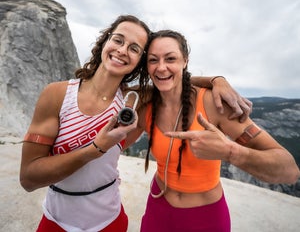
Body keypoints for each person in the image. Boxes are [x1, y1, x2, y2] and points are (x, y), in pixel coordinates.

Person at [20, 15, 251, 232]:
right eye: (118, 40)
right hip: (56, 218)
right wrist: (95, 149)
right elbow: (29, 179)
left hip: (109, 220)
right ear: (105, 41)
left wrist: (217, 80)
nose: (122, 51)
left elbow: (176, 79)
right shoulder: (58, 94)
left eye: (134, 49)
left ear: (139, 62)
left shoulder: (135, 100)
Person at [134, 30, 300, 232]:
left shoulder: (215, 104)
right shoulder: (145, 106)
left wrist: (231, 152)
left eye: (170, 58)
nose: (161, 67)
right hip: (158, 208)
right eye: (153, 60)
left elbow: (289, 170)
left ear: (185, 61)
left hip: (205, 218)